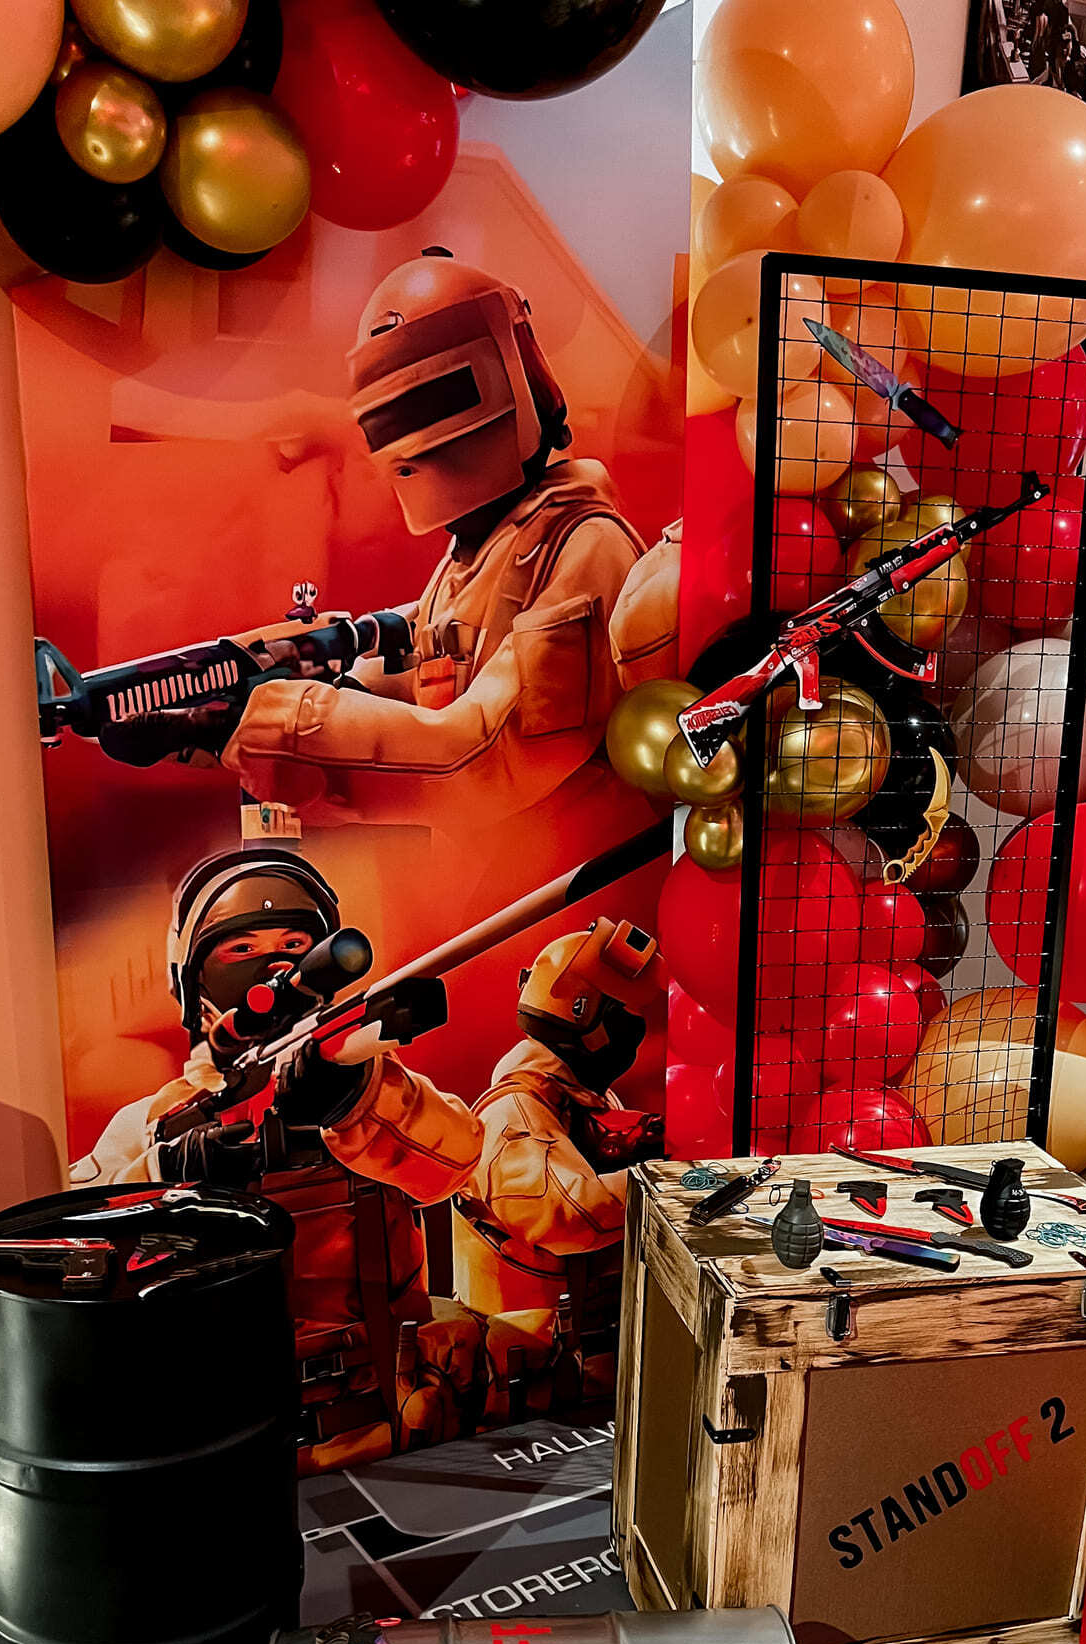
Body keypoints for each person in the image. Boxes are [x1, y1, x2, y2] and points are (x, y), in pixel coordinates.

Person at [103, 250, 647, 842]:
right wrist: (216, 722)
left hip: (573, 874)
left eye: (424, 404)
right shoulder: (480, 552)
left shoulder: (585, 549)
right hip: (487, 872)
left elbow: (484, 756)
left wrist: (261, 722)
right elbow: (424, 683)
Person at [71, 846, 486, 1469]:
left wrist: (355, 1103)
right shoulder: (152, 1122)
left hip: (392, 1420)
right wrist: (168, 1174)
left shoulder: (369, 1082)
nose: (274, 965)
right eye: (242, 948)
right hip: (224, 1440)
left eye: (296, 945)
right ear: (194, 978)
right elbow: (75, 1254)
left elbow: (456, 1163)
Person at [452, 917, 664, 1395]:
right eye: (623, 1013)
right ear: (583, 1015)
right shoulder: (513, 1115)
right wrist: (676, 1179)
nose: (634, 1027)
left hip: (582, 1351)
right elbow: (571, 1218)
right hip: (526, 1373)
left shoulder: (575, 1097)